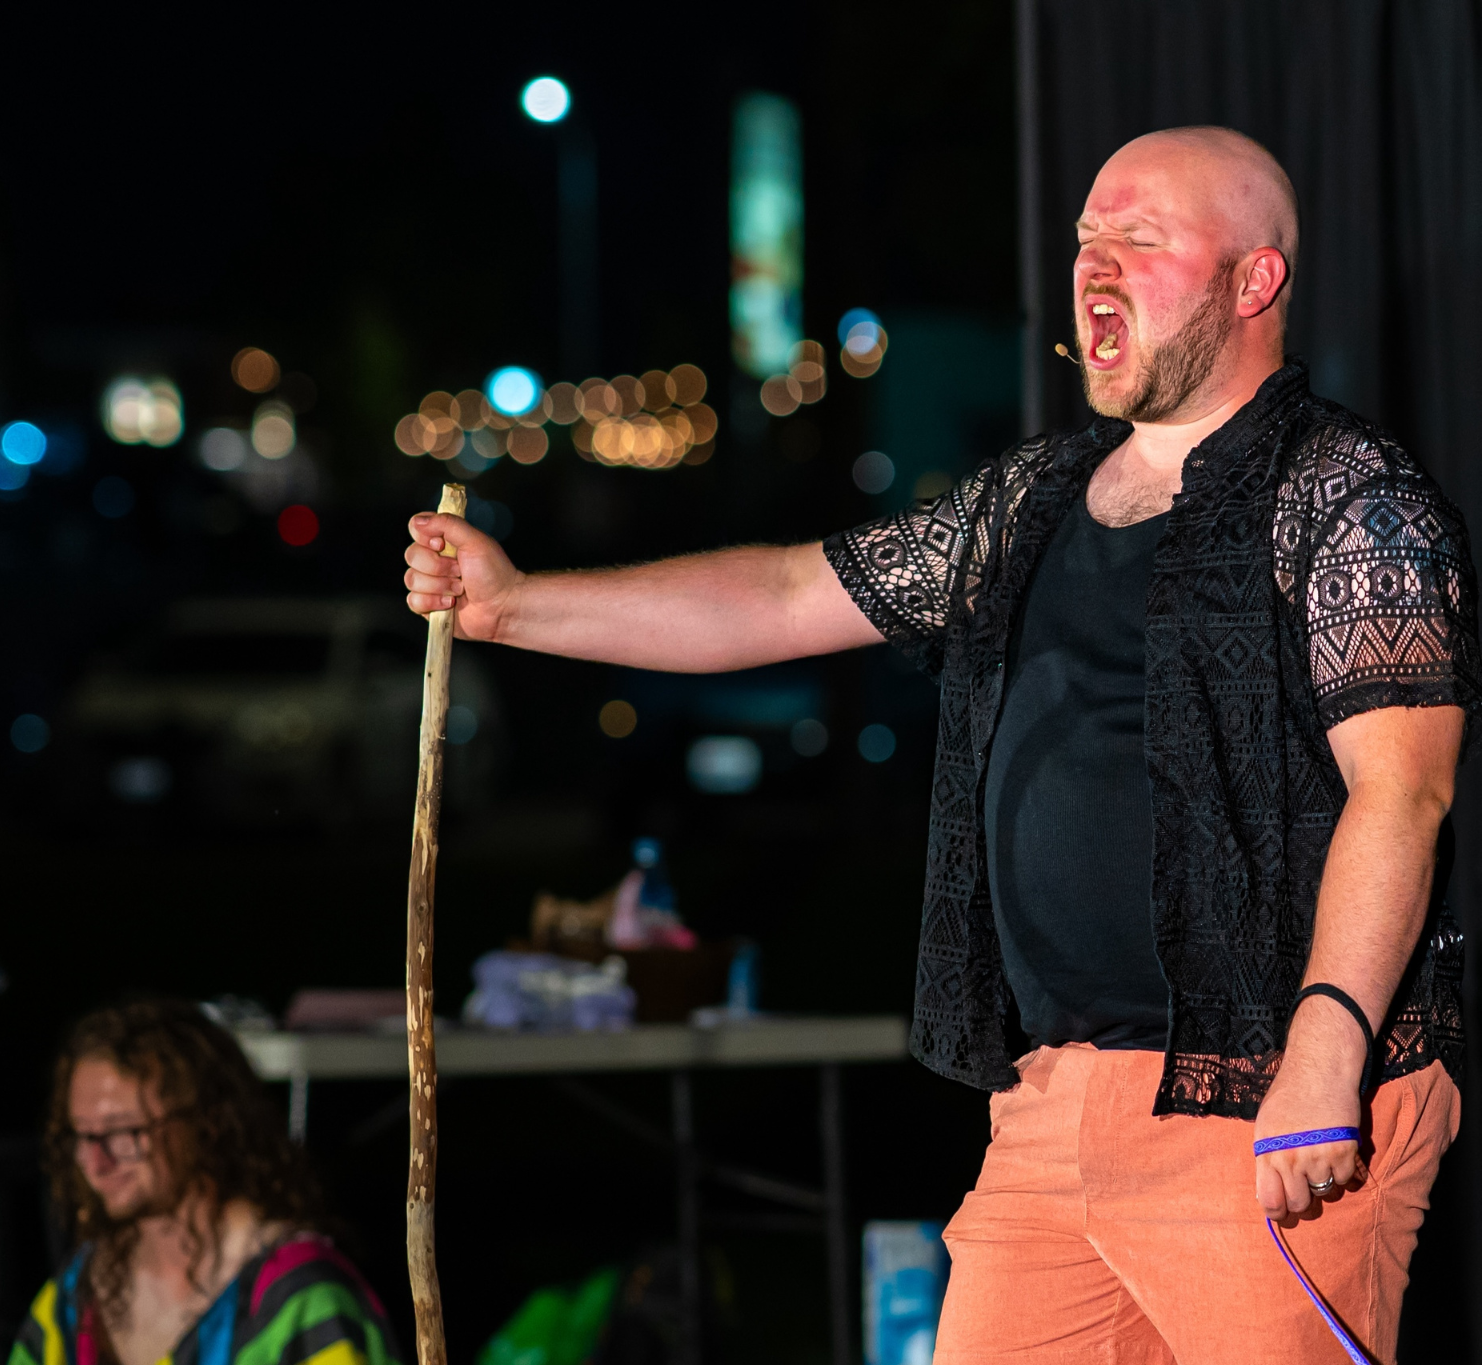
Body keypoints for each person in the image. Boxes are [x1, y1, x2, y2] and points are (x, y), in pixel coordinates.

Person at [401, 126, 1478, 1363]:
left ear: (1253, 282)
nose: (1094, 266)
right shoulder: (1028, 503)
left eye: (1139, 239)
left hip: (1255, 1104)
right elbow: (777, 599)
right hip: (1054, 1105)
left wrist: (1323, 1058)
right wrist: (511, 606)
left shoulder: (1346, 496)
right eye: (1083, 238)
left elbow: (1400, 793)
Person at [10, 1002, 400, 1365]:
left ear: (206, 1123)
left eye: (122, 1133)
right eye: (82, 1137)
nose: (96, 1163)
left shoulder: (298, 1300)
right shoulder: (79, 1296)